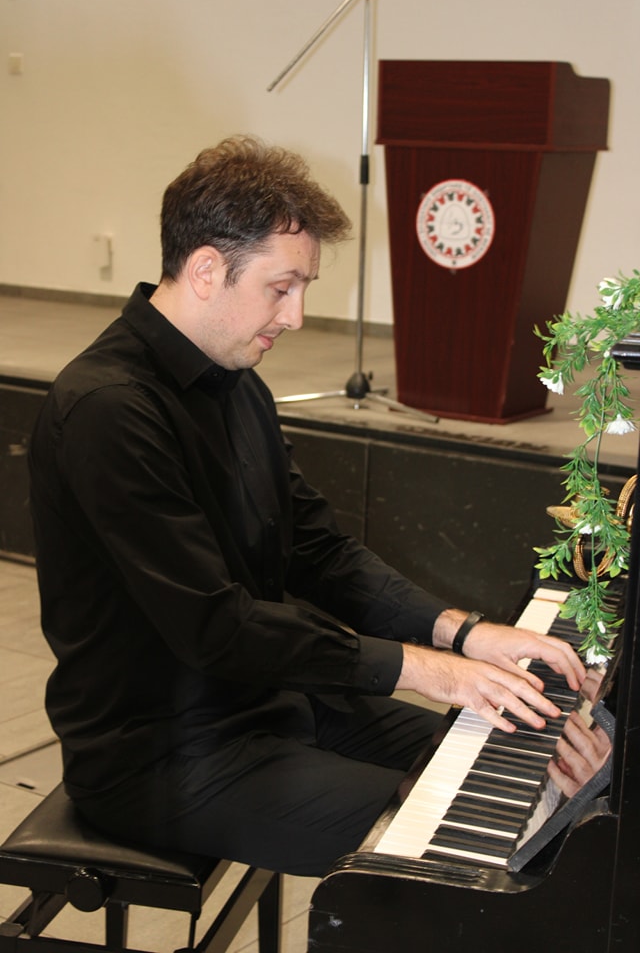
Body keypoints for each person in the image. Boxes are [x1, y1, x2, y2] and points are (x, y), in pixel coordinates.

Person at [28, 136, 584, 877]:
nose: (295, 316)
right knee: (473, 848)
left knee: (521, 768)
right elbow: (215, 627)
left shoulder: (236, 382)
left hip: (274, 699)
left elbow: (319, 551)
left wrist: (465, 635)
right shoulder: (109, 410)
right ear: (206, 270)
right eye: (282, 287)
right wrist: (434, 673)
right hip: (163, 753)